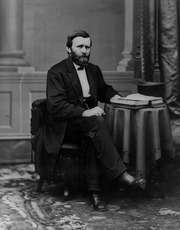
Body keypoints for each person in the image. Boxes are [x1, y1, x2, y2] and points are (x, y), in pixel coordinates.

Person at [46, 30, 145, 211]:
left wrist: (119, 99)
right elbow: (56, 106)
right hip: (66, 126)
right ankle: (120, 174)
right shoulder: (56, 72)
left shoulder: (93, 70)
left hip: (90, 125)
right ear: (68, 49)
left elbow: (104, 90)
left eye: (88, 47)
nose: (85, 51)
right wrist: (85, 113)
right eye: (80, 46)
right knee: (96, 123)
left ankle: (95, 192)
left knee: (94, 131)